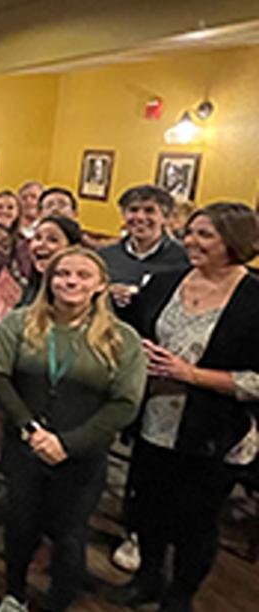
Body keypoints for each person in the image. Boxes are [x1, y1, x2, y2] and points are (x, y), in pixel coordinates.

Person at [108, 203, 259, 612]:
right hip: (155, 421)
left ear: (236, 240)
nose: (191, 241)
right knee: (148, 510)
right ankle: (147, 579)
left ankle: (180, 596)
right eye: (190, 232)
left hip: (214, 431)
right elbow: (135, 335)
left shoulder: (254, 297)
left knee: (195, 522)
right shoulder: (163, 282)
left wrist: (190, 374)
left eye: (205, 234)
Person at [0, 247, 146, 612]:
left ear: (101, 284)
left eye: (82, 275)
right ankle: (15, 594)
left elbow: (125, 403)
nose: (71, 282)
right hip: (25, 447)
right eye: (62, 274)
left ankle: (59, 601)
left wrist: (67, 443)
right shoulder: (20, 322)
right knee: (20, 525)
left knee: (70, 535)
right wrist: (31, 430)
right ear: (49, 280)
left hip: (82, 454)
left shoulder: (123, 339)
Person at [98, 185, 189, 311]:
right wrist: (108, 293)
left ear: (166, 218)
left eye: (149, 210)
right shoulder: (104, 256)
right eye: (133, 210)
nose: (140, 217)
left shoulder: (184, 259)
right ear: (124, 215)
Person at [18, 215, 83, 306]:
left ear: (73, 248)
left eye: (53, 240)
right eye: (38, 238)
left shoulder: (81, 296)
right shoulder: (25, 290)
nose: (41, 244)